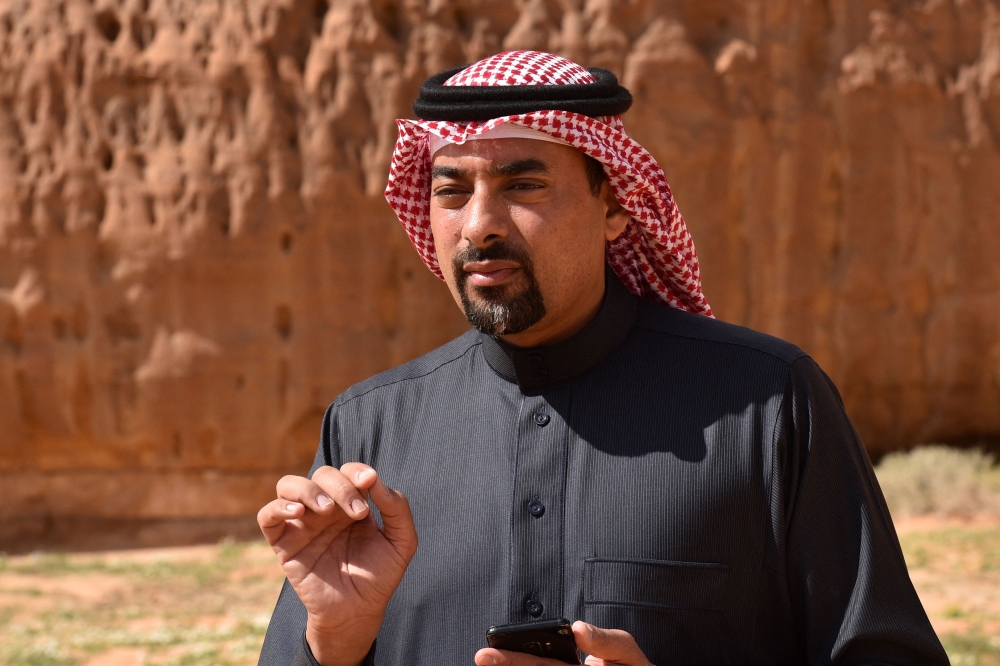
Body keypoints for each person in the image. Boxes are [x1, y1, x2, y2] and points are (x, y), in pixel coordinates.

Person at [257, 51, 948, 666]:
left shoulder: (767, 403)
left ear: (616, 204)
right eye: (452, 190)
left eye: (523, 185)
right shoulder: (372, 427)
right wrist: (335, 644)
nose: (479, 224)